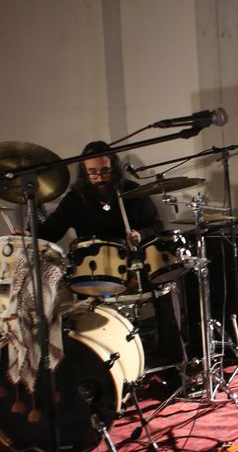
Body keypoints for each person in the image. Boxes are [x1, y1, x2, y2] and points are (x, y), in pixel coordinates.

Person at [36, 140, 186, 369]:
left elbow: (156, 225)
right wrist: (30, 234)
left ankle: (172, 360)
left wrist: (139, 234)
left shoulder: (132, 192)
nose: (99, 177)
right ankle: (94, 362)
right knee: (80, 310)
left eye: (105, 171)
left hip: (134, 265)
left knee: (166, 287)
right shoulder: (75, 199)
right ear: (84, 172)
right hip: (92, 271)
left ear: (113, 168)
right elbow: (51, 232)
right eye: (93, 172)